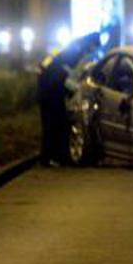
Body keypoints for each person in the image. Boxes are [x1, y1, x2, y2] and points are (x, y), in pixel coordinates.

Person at [36, 30, 105, 165]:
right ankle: (52, 158)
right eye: (93, 48)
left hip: (47, 90)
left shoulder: (71, 48)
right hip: (51, 92)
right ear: (90, 45)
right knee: (55, 124)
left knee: (52, 124)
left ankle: (49, 157)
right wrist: (73, 91)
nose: (92, 52)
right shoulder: (74, 53)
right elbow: (64, 77)